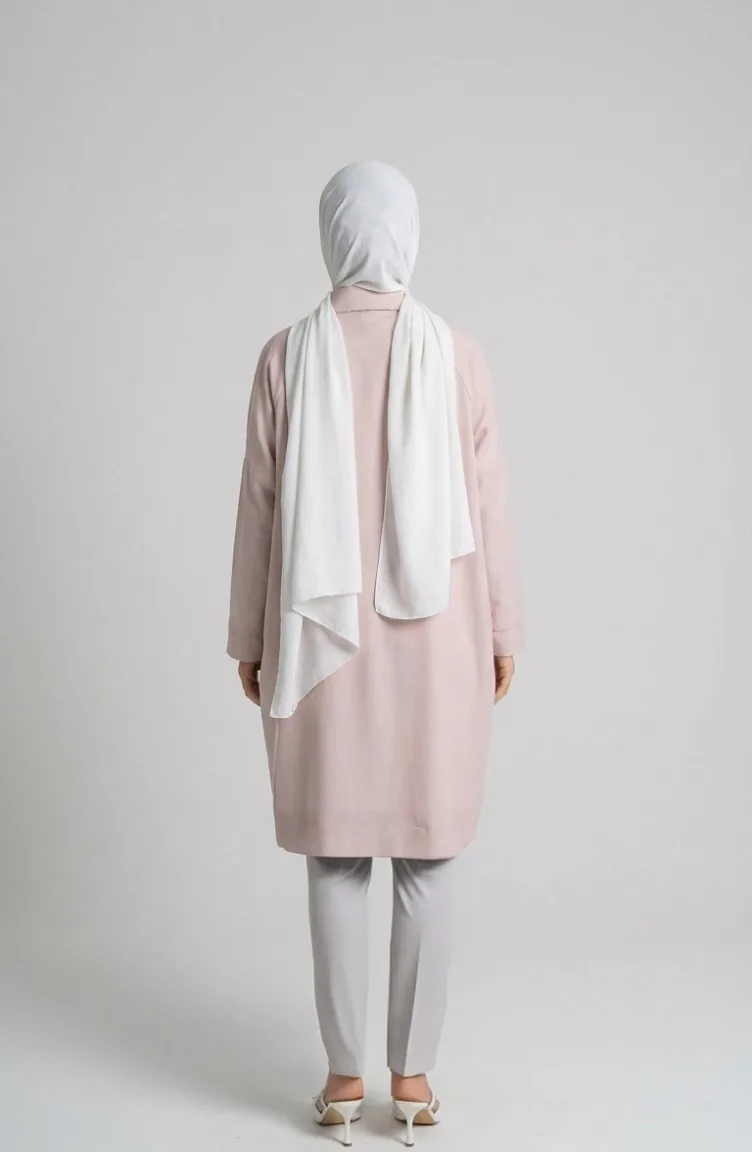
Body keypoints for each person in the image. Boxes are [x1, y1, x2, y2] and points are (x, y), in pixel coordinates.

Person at [226, 160, 524, 1146]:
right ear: (407, 233)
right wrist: (502, 631)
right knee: (429, 859)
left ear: (333, 234)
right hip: (437, 641)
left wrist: (248, 634)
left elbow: (259, 508)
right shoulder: (458, 354)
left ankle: (344, 1080)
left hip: (320, 642)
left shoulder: (285, 355)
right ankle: (416, 1080)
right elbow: (488, 512)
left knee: (336, 859)